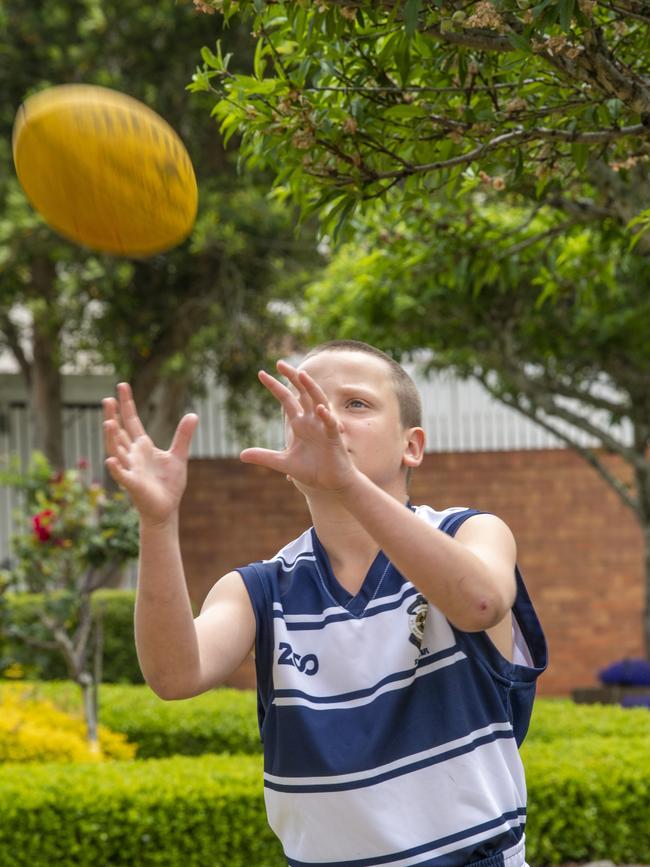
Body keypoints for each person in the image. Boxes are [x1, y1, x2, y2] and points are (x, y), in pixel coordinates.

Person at [103, 340, 547, 867]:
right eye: (309, 406)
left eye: (355, 404)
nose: (327, 421)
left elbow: (479, 602)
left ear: (413, 445)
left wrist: (347, 482)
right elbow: (174, 677)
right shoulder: (258, 590)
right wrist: (157, 524)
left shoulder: (470, 532)